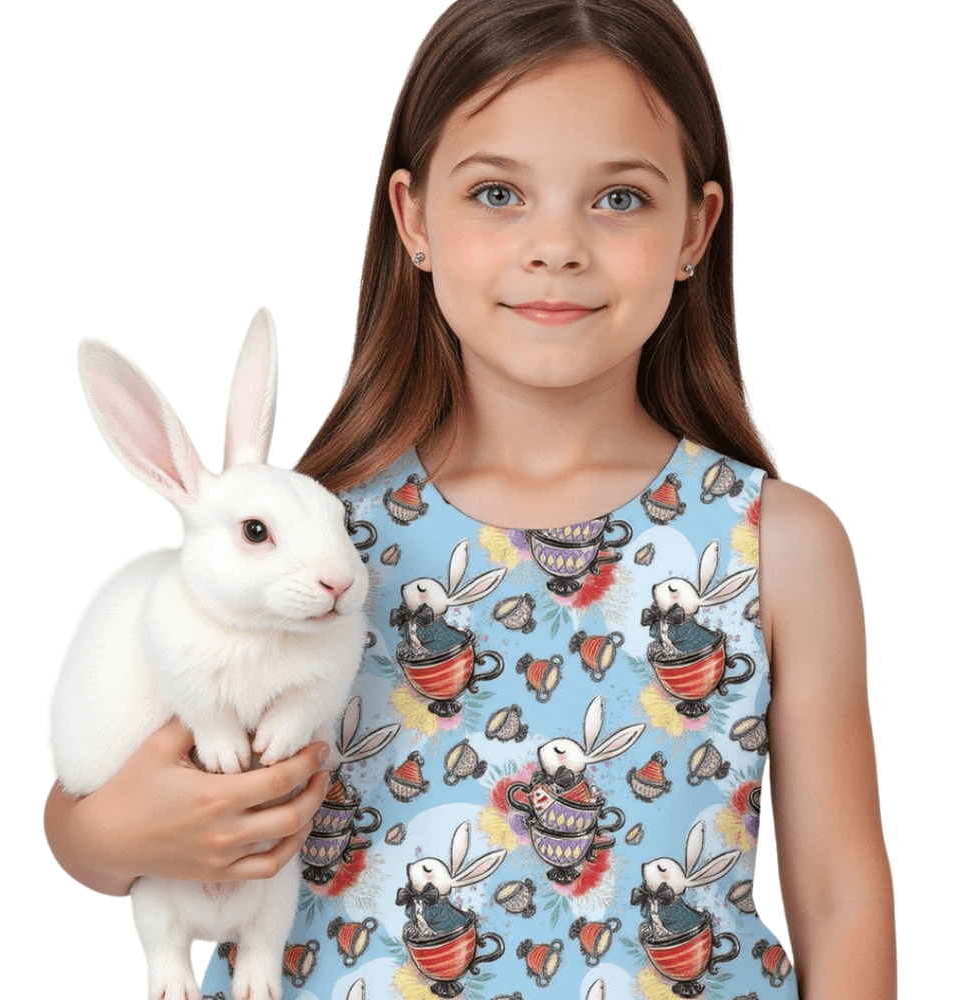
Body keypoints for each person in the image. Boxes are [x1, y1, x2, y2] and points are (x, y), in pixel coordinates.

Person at [44, 1, 896, 997]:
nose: (555, 245)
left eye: (618, 199)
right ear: (412, 218)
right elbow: (94, 807)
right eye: (497, 192)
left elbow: (841, 895)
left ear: (694, 229)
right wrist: (104, 834)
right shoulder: (314, 545)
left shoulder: (776, 545)